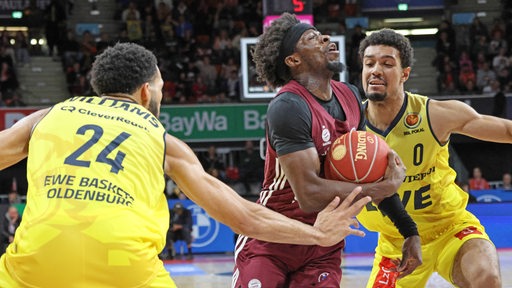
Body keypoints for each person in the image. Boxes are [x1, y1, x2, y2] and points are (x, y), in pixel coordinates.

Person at [0, 42, 372, 287]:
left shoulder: (47, 117)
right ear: (147, 91)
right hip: (124, 270)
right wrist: (318, 235)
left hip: (34, 266)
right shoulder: (162, 140)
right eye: (160, 87)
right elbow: (243, 217)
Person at [232, 13, 420, 288]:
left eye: (321, 34)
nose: (326, 39)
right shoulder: (288, 106)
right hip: (274, 238)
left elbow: (374, 175)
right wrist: (384, 188)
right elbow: (308, 195)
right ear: (293, 60)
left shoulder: (352, 96)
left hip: (324, 244)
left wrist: (409, 231)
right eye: (312, 38)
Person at [357, 28, 506, 288]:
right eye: (369, 63)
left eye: (387, 63)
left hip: (450, 229)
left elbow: (502, 129)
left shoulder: (434, 114)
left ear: (405, 74)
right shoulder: (348, 126)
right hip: (396, 243)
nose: (376, 70)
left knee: (486, 277)